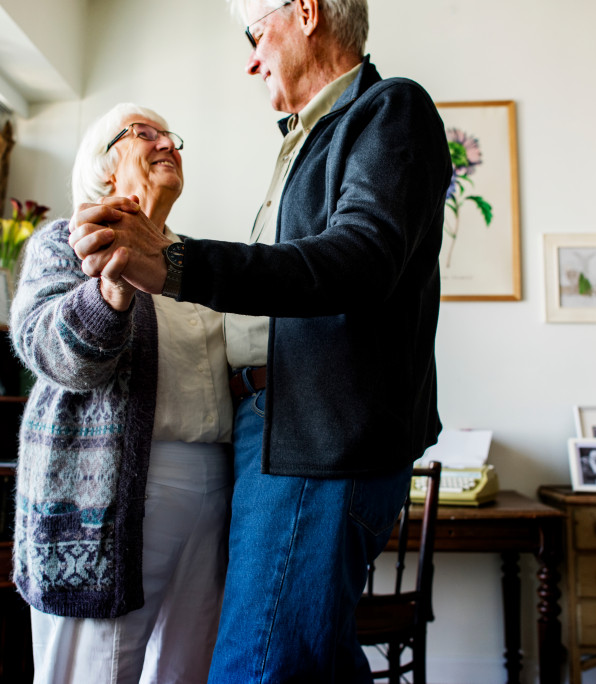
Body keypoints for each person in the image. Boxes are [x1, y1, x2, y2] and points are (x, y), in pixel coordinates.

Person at [69, 0, 451, 680]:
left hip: (314, 433)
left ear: (305, 12)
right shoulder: (305, 139)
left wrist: (176, 261)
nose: (249, 58)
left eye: (254, 33)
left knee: (260, 664)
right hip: (270, 435)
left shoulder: (390, 110)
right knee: (302, 657)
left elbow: (360, 259)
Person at [10, 103, 233, 684]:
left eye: (171, 135)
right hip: (108, 494)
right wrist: (110, 288)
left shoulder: (191, 260)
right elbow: (53, 353)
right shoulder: (67, 243)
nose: (167, 143)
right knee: (94, 672)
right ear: (103, 167)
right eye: (145, 133)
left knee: (187, 670)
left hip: (212, 489)